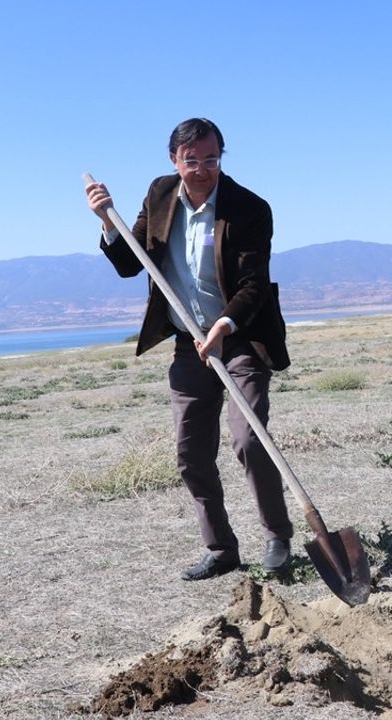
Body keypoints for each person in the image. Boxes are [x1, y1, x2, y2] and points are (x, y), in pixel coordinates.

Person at [85, 118, 293, 581]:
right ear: (174, 159)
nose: (202, 170)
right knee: (191, 453)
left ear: (222, 156)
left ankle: (277, 538)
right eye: (192, 160)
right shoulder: (160, 195)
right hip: (187, 342)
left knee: (249, 437)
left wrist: (222, 325)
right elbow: (129, 264)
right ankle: (221, 549)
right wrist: (107, 220)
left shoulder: (249, 208)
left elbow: (255, 284)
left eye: (211, 159)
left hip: (239, 336)